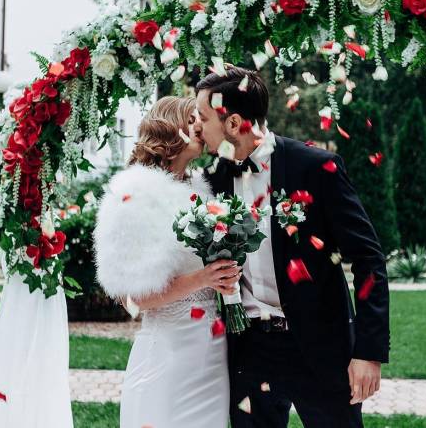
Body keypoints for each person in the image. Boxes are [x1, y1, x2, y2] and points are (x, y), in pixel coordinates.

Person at [194, 66, 390, 428]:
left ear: (233, 123)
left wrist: (369, 353)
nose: (197, 128)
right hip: (250, 351)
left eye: (203, 118)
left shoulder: (315, 168)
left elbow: (368, 258)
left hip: (320, 347)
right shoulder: (212, 181)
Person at [94, 96, 239, 428]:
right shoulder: (135, 195)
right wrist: (203, 278)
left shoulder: (203, 192)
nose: (200, 125)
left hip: (212, 356)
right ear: (169, 128)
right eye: (191, 119)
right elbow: (135, 299)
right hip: (167, 359)